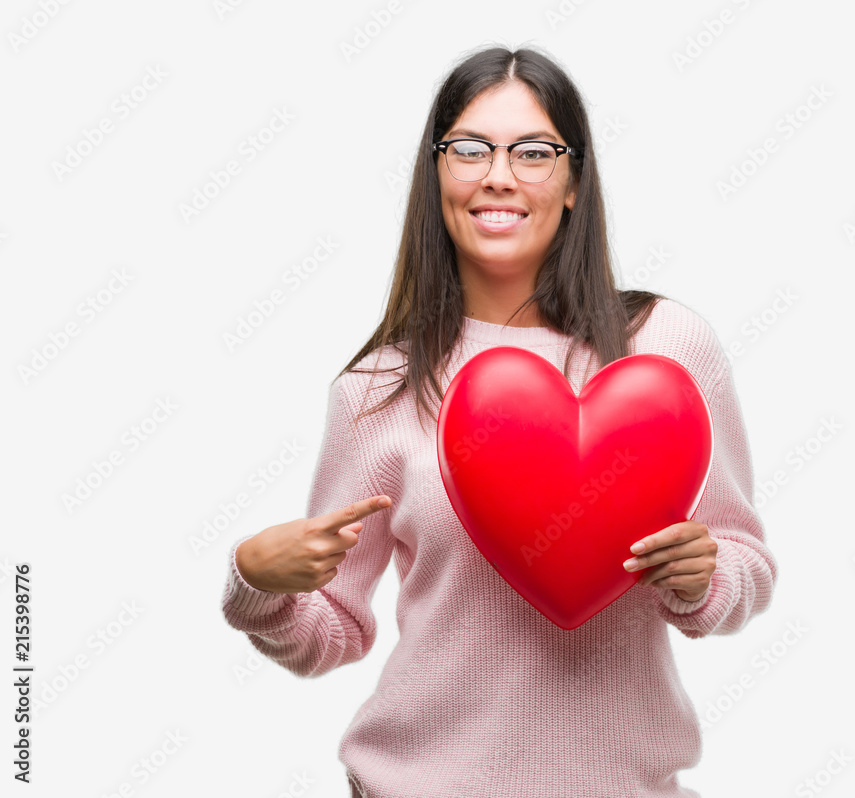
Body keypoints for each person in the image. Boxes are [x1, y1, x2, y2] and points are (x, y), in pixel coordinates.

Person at [221, 44, 778, 798]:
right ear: (437, 172)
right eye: (470, 149)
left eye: (535, 152)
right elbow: (333, 632)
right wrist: (259, 582)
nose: (499, 175)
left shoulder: (666, 349)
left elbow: (745, 558)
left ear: (575, 180)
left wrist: (705, 577)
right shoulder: (378, 387)